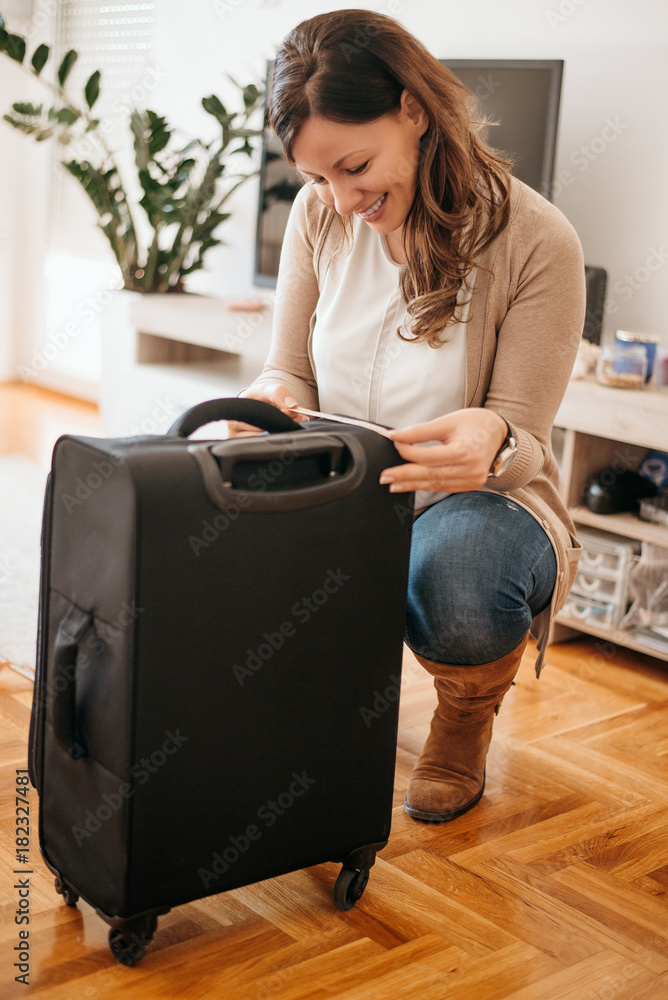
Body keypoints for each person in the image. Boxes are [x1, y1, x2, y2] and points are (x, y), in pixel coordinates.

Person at [236, 9, 586, 823]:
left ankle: (464, 718)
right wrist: (271, 404)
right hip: (343, 486)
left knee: (457, 575)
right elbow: (287, 368)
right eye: (319, 178)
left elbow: (525, 435)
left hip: (479, 502)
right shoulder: (319, 217)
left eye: (355, 167)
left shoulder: (537, 240)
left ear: (415, 111)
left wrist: (490, 441)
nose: (341, 199)